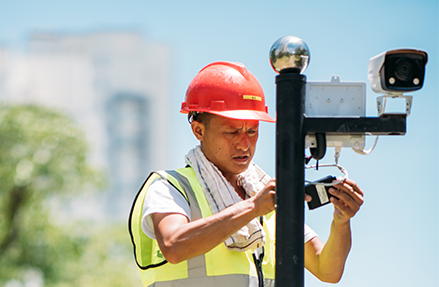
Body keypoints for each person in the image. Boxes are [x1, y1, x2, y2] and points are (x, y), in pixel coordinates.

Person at [129, 61, 364, 287]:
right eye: (231, 132)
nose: (244, 144)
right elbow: (174, 244)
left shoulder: (263, 195)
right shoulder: (170, 187)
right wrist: (252, 208)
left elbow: (328, 270)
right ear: (198, 130)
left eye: (252, 131)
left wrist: (341, 221)